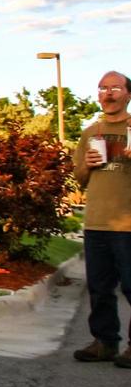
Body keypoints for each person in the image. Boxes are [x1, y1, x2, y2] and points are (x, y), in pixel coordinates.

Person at [71, 70, 131, 367]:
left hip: (128, 224)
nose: (108, 93)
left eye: (115, 88)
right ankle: (105, 343)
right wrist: (87, 165)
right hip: (97, 222)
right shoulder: (90, 132)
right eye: (103, 88)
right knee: (99, 287)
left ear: (127, 94)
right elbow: (79, 179)